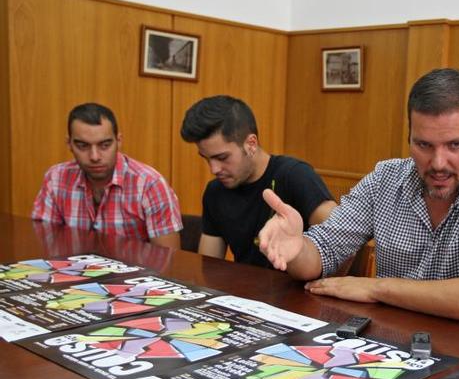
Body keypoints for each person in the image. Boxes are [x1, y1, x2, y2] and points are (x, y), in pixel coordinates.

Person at [258, 68, 459, 328]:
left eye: (455, 145)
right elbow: (322, 253)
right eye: (424, 144)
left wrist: (378, 288)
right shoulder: (385, 179)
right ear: (409, 137)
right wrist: (296, 249)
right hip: (395, 349)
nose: (439, 162)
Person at [180, 95, 336, 267]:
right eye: (207, 159)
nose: (214, 169)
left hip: (301, 290)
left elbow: (343, 233)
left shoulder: (294, 175)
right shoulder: (215, 191)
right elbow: (209, 267)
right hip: (245, 290)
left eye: (222, 157)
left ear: (251, 144)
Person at [32, 103, 182, 249]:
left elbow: (168, 262)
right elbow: (45, 247)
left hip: (136, 273)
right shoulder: (56, 179)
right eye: (83, 146)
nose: (95, 156)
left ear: (119, 141)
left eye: (104, 145)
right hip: (71, 271)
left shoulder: (150, 184)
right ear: (69, 144)